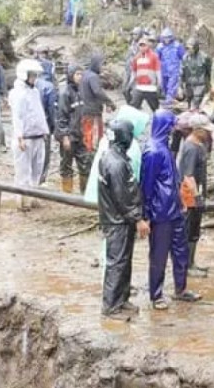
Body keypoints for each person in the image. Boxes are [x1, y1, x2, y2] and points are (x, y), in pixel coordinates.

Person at [141, 110, 202, 308]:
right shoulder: (152, 151)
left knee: (180, 249)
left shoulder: (165, 148)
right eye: (171, 126)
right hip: (160, 212)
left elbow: (173, 178)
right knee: (159, 255)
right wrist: (146, 214)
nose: (174, 129)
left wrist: (180, 200)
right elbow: (147, 186)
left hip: (174, 209)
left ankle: (180, 288)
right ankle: (156, 295)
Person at [99, 118, 149, 320]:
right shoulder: (116, 163)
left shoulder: (115, 157)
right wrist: (138, 219)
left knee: (124, 261)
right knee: (117, 262)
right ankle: (111, 306)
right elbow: (123, 197)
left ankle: (121, 299)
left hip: (121, 219)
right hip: (117, 220)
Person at [10, 60, 51, 208]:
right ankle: (22, 200)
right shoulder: (17, 94)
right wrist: (19, 136)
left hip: (38, 136)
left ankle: (34, 197)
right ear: (24, 75)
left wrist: (44, 130)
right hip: (25, 138)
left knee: (37, 169)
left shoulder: (34, 92)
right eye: (32, 75)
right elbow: (17, 116)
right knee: (23, 171)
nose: (34, 78)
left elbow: (39, 114)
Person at [178, 113, 213, 278]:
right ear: (197, 130)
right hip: (189, 195)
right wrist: (197, 196)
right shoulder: (191, 148)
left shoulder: (198, 144)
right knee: (189, 230)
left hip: (196, 193)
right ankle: (186, 266)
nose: (208, 133)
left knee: (194, 230)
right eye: (205, 130)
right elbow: (188, 176)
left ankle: (191, 263)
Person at [79, 54, 116, 193]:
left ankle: (86, 178)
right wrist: (109, 101)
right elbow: (97, 91)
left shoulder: (85, 75)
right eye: (101, 64)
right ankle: (93, 177)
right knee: (94, 145)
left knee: (88, 143)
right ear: (95, 64)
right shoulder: (93, 77)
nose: (103, 67)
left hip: (86, 112)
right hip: (93, 114)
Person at [56, 64, 87, 194]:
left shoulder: (84, 91)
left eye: (81, 74)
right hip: (69, 136)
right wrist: (65, 136)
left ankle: (84, 194)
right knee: (66, 165)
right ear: (70, 76)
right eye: (77, 74)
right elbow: (61, 117)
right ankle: (67, 193)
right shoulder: (65, 93)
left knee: (85, 165)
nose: (80, 77)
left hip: (83, 136)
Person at [35, 50, 57, 185]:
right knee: (45, 154)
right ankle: (42, 179)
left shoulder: (33, 83)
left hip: (31, 127)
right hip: (45, 125)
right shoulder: (49, 87)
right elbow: (52, 109)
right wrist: (53, 127)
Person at [129, 36, 161, 112]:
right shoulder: (136, 57)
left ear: (148, 46)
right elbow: (134, 71)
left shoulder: (154, 56)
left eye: (144, 45)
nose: (142, 47)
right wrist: (130, 84)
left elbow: (158, 71)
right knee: (133, 107)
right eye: (140, 45)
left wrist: (159, 83)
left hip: (150, 87)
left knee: (155, 109)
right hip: (139, 87)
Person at [156, 28, 186, 106]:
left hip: (174, 70)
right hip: (164, 70)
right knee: (164, 86)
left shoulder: (177, 46)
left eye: (168, 37)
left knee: (171, 86)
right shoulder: (160, 46)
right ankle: (167, 98)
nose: (166, 39)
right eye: (165, 37)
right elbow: (156, 58)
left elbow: (183, 57)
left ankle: (169, 100)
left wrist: (182, 68)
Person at [179, 37, 211, 110]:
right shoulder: (185, 58)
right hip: (189, 85)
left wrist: (208, 85)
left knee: (196, 105)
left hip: (200, 85)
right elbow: (181, 73)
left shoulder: (204, 57)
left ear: (195, 48)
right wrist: (180, 86)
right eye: (187, 48)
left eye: (190, 48)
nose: (188, 50)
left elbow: (209, 72)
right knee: (190, 105)